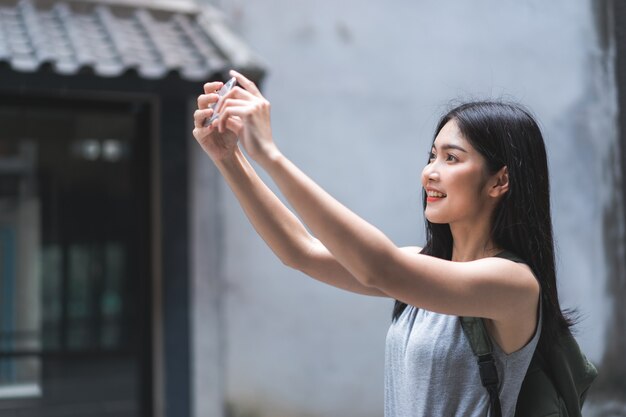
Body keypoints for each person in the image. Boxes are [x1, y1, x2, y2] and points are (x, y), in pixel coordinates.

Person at [192, 70, 572, 417]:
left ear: (499, 181)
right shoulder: (417, 268)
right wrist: (230, 159)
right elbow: (300, 251)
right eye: (432, 156)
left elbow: (378, 268)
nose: (429, 174)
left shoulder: (513, 284)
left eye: (451, 158)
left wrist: (271, 156)